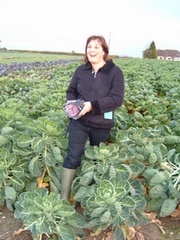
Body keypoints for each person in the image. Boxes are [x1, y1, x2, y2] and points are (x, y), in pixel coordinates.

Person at [61, 35, 125, 201]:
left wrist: (91, 105)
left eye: (96, 47)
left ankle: (94, 197)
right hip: (79, 121)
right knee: (73, 155)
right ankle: (63, 199)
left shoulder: (115, 73)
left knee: (97, 158)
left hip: (102, 122)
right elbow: (71, 90)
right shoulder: (80, 71)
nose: (92, 50)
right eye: (89, 46)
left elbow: (116, 99)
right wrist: (72, 103)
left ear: (104, 51)